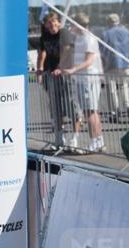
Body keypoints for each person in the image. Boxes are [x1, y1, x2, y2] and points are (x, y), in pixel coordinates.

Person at [55, 13, 104, 152]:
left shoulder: (89, 39)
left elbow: (89, 61)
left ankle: (96, 141)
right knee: (90, 111)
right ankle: (99, 141)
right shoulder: (79, 39)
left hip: (89, 79)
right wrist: (62, 68)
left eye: (72, 24)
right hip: (82, 79)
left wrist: (73, 69)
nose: (70, 27)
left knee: (90, 111)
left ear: (78, 24)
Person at [37, 11, 64, 151]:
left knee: (69, 106)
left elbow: (67, 53)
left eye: (54, 22)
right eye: (49, 23)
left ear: (59, 23)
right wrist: (39, 71)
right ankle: (59, 139)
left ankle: (75, 139)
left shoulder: (64, 35)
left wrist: (60, 67)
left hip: (63, 73)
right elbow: (42, 54)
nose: (52, 25)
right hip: (50, 73)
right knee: (54, 106)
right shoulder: (44, 37)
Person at [101, 13, 129, 116]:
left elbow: (102, 51)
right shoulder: (127, 32)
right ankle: (127, 106)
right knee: (125, 87)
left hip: (111, 64)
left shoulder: (105, 34)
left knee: (111, 89)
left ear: (108, 21)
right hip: (126, 64)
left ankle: (114, 111)